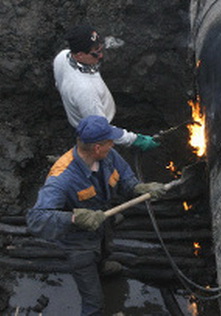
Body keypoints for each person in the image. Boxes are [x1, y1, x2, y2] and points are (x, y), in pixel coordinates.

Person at [26, 115, 167, 315]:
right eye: (110, 141)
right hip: (78, 242)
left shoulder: (108, 156)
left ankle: (101, 267)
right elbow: (36, 219)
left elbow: (125, 177)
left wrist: (139, 188)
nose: (113, 144)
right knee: (94, 303)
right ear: (97, 148)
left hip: (102, 223)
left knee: (104, 249)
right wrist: (74, 218)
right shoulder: (62, 178)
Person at [53, 24, 159, 151]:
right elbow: (101, 130)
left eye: (100, 49)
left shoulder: (63, 57)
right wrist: (135, 140)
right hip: (95, 138)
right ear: (80, 55)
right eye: (96, 53)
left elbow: (58, 85)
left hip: (91, 116)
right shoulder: (85, 91)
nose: (101, 56)